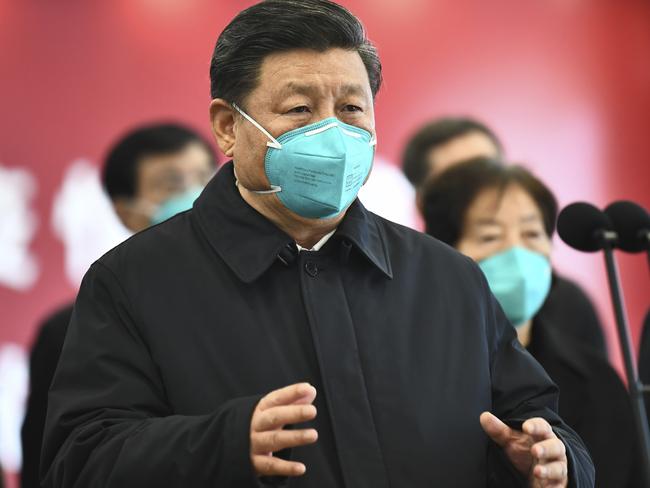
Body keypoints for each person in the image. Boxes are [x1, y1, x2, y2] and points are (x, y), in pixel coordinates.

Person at [41, 1, 594, 486]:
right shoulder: (136, 281)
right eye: (300, 109)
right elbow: (78, 462)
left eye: (351, 108)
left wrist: (552, 459)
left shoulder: (447, 277)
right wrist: (224, 444)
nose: (333, 133)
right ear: (228, 128)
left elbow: (537, 418)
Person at [422, 157, 643, 487]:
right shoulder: (416, 369)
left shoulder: (597, 380)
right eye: (490, 237)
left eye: (531, 233)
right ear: (444, 251)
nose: (517, 254)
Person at [20, 123, 216, 488]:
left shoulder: (255, 298)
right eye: (172, 185)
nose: (197, 196)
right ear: (126, 211)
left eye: (207, 178)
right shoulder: (75, 328)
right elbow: (52, 462)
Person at [401, 116, 607, 356]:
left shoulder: (569, 304)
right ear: (423, 202)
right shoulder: (404, 304)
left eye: (487, 168)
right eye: (458, 180)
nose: (482, 187)